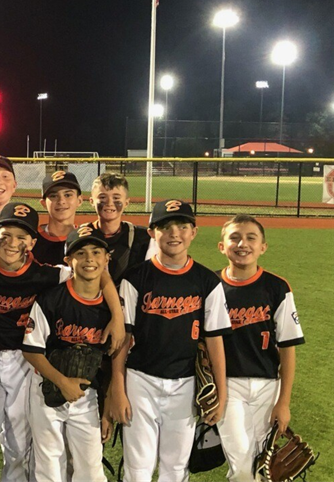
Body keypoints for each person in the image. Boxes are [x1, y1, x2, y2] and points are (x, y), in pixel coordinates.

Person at [0, 201, 126, 482]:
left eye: (22, 236)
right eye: (6, 235)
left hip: (24, 361)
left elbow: (97, 273)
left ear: (32, 243)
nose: (12, 243)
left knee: (19, 443)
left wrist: (118, 316)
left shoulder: (48, 275)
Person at [105, 200, 232, 482]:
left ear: (194, 232)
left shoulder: (207, 281)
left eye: (182, 226)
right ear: (152, 233)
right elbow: (122, 339)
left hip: (185, 383)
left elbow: (215, 341)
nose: (174, 233)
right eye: (165, 226)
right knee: (138, 468)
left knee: (176, 468)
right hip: (140, 381)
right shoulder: (135, 277)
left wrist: (222, 394)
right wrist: (118, 388)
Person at [214, 215, 305, 482]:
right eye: (234, 238)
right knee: (242, 465)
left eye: (251, 238)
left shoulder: (277, 287)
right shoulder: (211, 286)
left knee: (263, 465)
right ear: (222, 246)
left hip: (268, 386)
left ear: (262, 247)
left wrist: (283, 402)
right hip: (228, 385)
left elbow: (287, 348)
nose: (242, 244)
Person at [22, 223, 114, 482]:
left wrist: (107, 406)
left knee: (91, 469)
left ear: (107, 259)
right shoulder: (51, 299)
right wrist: (62, 382)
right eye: (80, 253)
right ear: (68, 260)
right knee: (49, 465)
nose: (89, 259)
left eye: (96, 253)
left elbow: (112, 361)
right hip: (47, 388)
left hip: (87, 394)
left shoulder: (112, 308)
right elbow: (31, 349)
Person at [88, 173, 155, 284]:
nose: (109, 203)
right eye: (102, 197)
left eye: (116, 198)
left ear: (126, 202)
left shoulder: (143, 238)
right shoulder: (81, 236)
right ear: (91, 201)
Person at [32, 171, 82, 266]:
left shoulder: (86, 239)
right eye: (53, 196)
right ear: (43, 203)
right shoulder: (31, 239)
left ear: (79, 200)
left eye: (68, 195)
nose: (61, 201)